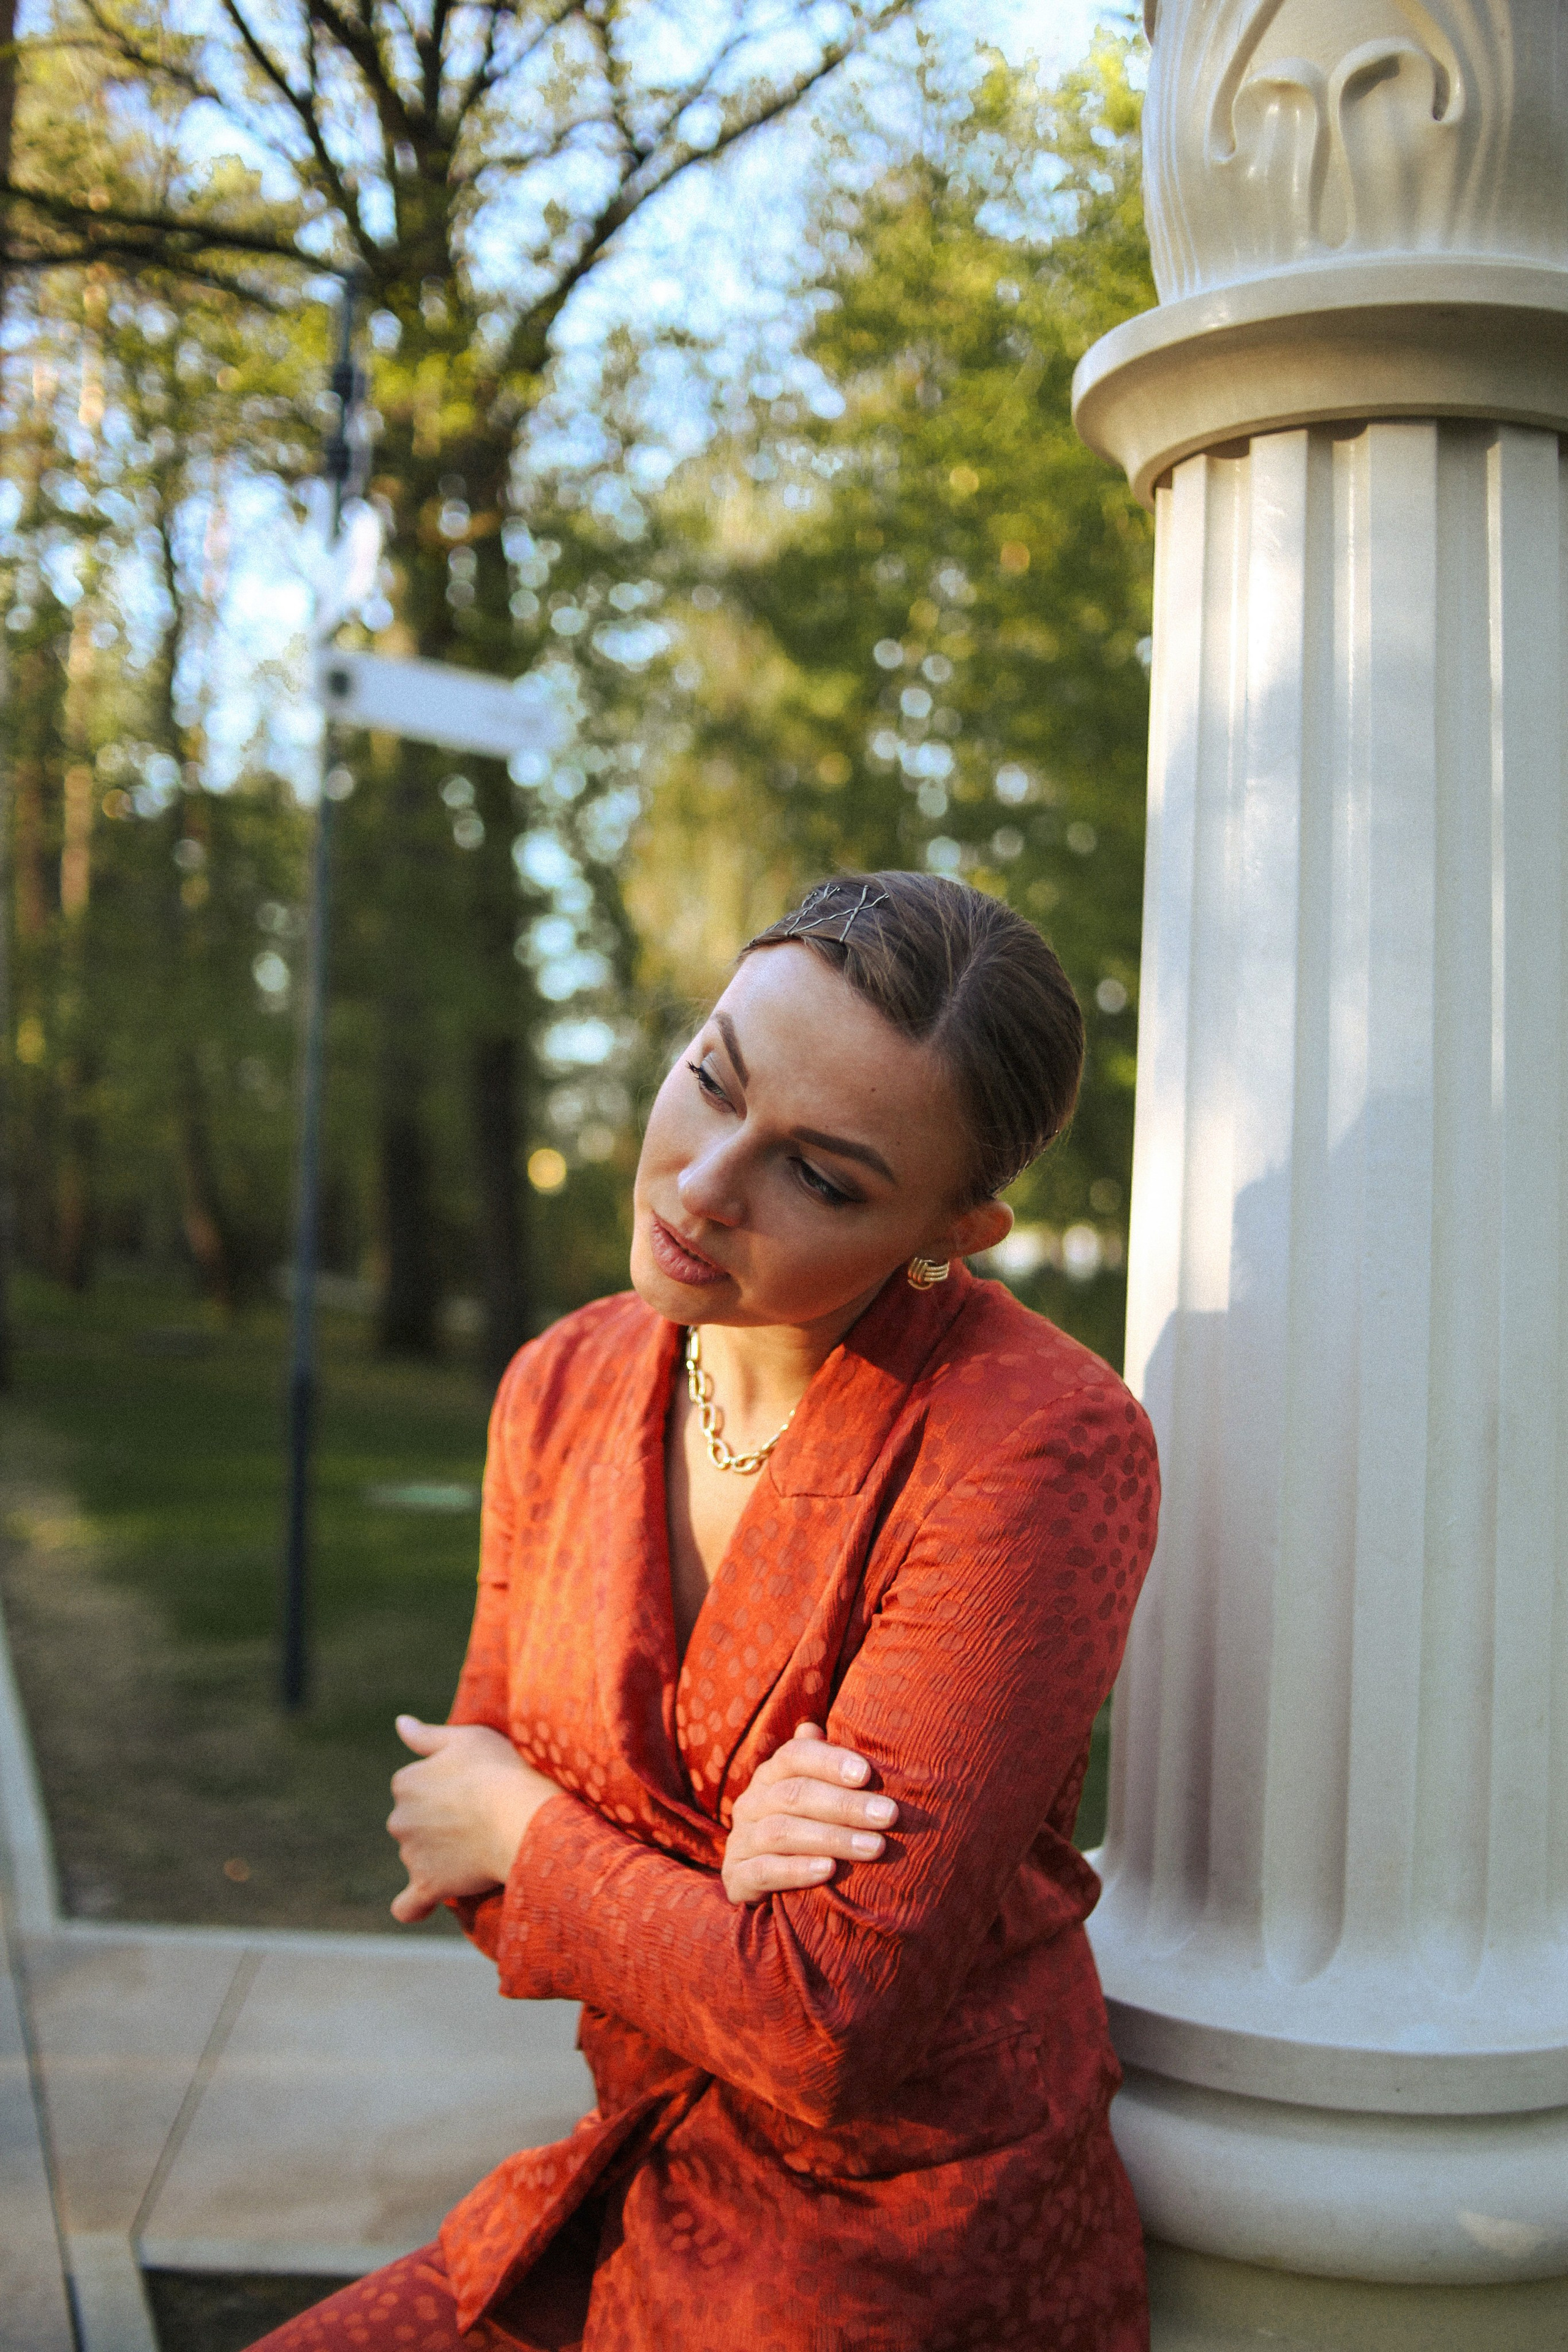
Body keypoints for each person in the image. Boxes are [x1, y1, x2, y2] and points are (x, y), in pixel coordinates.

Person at [248, 871, 1159, 2352]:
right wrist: (723, 1877)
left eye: (823, 1177)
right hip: (623, 2175)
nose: (702, 1182)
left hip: (900, 2258)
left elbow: (827, 2029)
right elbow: (449, 1856)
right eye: (710, 1081)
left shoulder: (1036, 1444)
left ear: (951, 1230)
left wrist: (540, 1834)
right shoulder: (558, 1383)